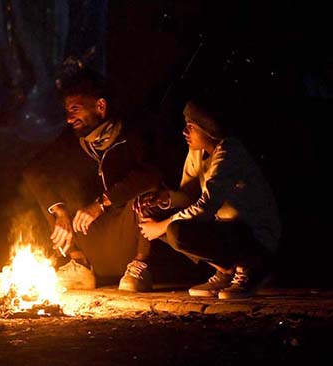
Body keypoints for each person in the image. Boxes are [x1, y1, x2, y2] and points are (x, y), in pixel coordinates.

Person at [22, 69, 163, 291]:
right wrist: (59, 212)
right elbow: (34, 170)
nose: (69, 118)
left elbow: (151, 174)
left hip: (130, 235)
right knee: (55, 193)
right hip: (93, 238)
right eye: (67, 111)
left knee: (147, 191)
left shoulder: (132, 133)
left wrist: (101, 203)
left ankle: (140, 265)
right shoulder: (71, 140)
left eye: (75, 109)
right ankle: (80, 265)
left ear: (100, 106)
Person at [135, 96, 281, 299]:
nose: (184, 132)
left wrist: (162, 226)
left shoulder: (230, 152)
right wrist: (164, 199)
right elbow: (188, 196)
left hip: (252, 235)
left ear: (209, 129)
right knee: (155, 214)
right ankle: (226, 270)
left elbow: (205, 207)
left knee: (176, 231)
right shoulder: (197, 152)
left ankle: (253, 266)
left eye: (191, 127)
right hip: (225, 228)